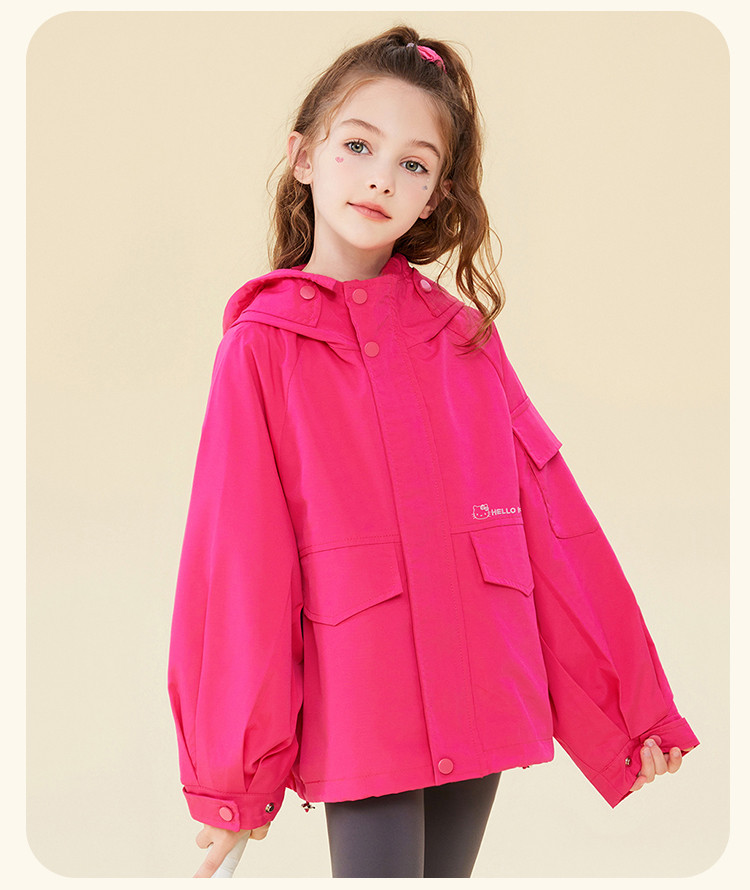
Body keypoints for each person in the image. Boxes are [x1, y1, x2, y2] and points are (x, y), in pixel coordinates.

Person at [167, 25, 700, 879]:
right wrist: (235, 777)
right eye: (357, 145)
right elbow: (238, 567)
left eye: (413, 164)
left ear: (435, 197)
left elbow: (552, 524)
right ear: (303, 157)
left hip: (480, 687)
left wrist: (628, 710)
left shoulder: (463, 341)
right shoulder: (264, 348)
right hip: (364, 704)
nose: (381, 175)